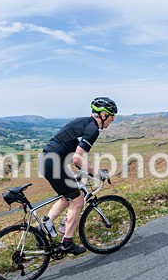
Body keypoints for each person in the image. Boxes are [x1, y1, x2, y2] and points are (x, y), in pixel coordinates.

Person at [38, 97, 118, 255]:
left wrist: (88, 170)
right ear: (103, 115)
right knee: (78, 201)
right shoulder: (93, 129)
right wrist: (97, 173)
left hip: (47, 161)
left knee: (67, 197)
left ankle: (41, 230)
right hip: (55, 164)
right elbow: (77, 158)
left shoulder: (84, 122)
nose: (112, 121)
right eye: (112, 117)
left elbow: (76, 157)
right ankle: (67, 243)